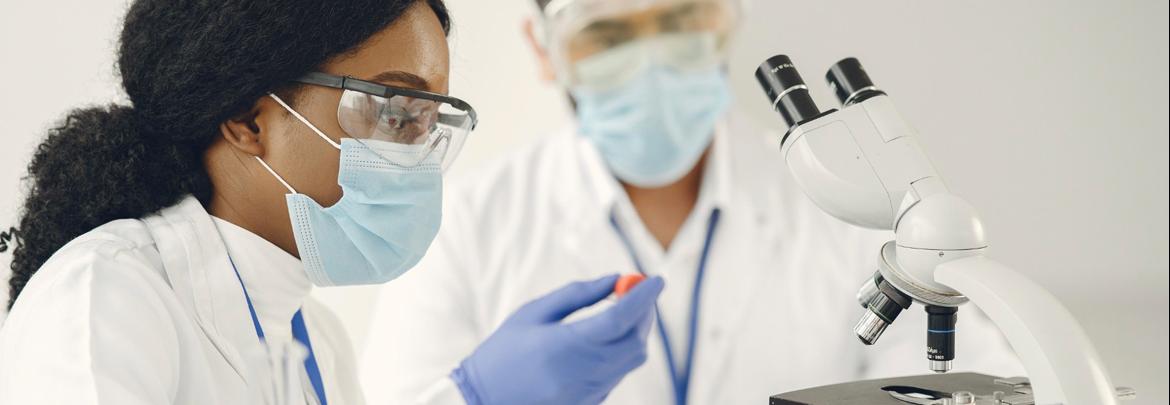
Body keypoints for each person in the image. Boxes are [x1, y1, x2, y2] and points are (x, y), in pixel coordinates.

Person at [0, 0, 664, 404]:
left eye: (433, 117)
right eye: (394, 108)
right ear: (247, 117)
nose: (418, 150)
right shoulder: (108, 299)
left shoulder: (316, 338)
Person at [360, 0, 1024, 403]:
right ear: (545, 49)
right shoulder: (465, 226)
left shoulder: (849, 203)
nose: (650, 62)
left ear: (725, 21)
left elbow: (976, 382)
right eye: (609, 36)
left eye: (679, 22)